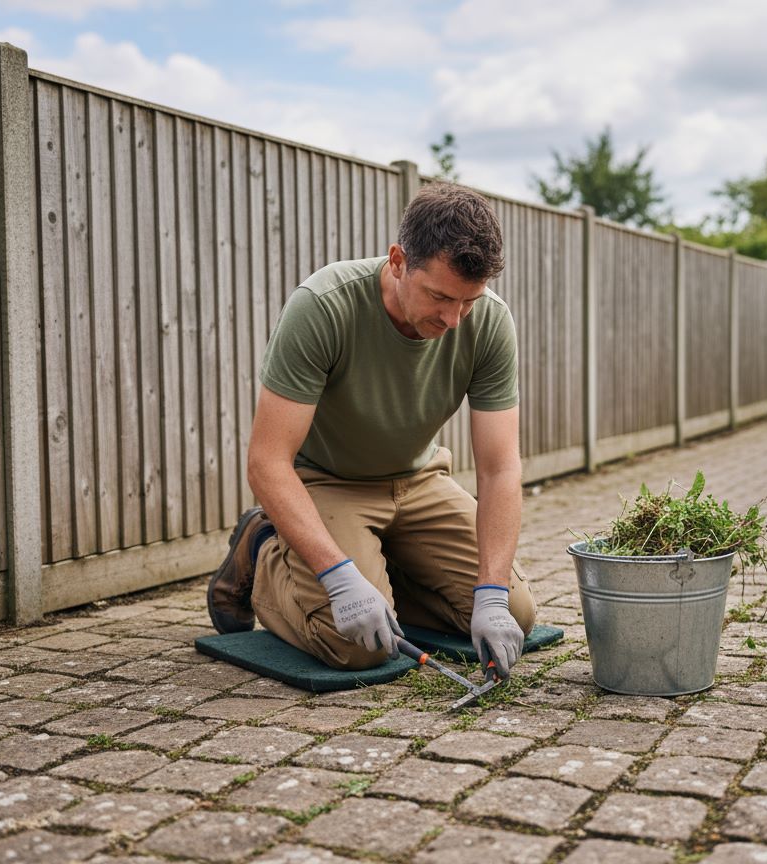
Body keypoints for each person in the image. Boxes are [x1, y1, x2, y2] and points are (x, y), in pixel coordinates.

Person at [207, 182, 535, 679]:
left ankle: (378, 569)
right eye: (440, 297)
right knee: (356, 645)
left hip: (420, 482)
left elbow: (499, 468)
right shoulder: (323, 305)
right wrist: (338, 579)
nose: (453, 319)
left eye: (468, 301)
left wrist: (490, 595)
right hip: (329, 482)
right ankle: (264, 549)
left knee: (516, 614)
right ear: (399, 260)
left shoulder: (488, 322)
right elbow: (267, 462)